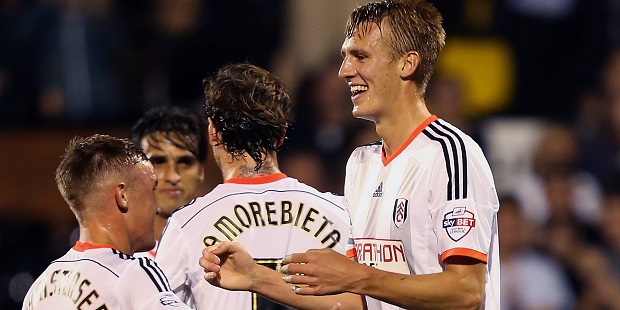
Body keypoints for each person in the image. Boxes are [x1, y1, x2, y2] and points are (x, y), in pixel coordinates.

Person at [201, 1, 500, 309]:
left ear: (406, 64)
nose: (345, 71)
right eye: (345, 57)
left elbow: (466, 292)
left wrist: (357, 276)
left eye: (360, 56)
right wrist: (257, 278)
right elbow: (358, 301)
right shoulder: (361, 163)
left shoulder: (451, 155)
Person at [156, 63, 363, 309]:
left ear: (213, 132)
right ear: (281, 134)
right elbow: (375, 301)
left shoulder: (186, 224)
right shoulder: (342, 214)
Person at [21, 134, 192, 309]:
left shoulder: (36, 291)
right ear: (122, 196)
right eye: (151, 190)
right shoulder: (131, 273)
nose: (157, 208)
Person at [131, 105, 208, 258]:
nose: (173, 176)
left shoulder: (224, 253)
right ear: (135, 171)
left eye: (185, 162)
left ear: (201, 171)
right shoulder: (115, 259)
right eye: (158, 162)